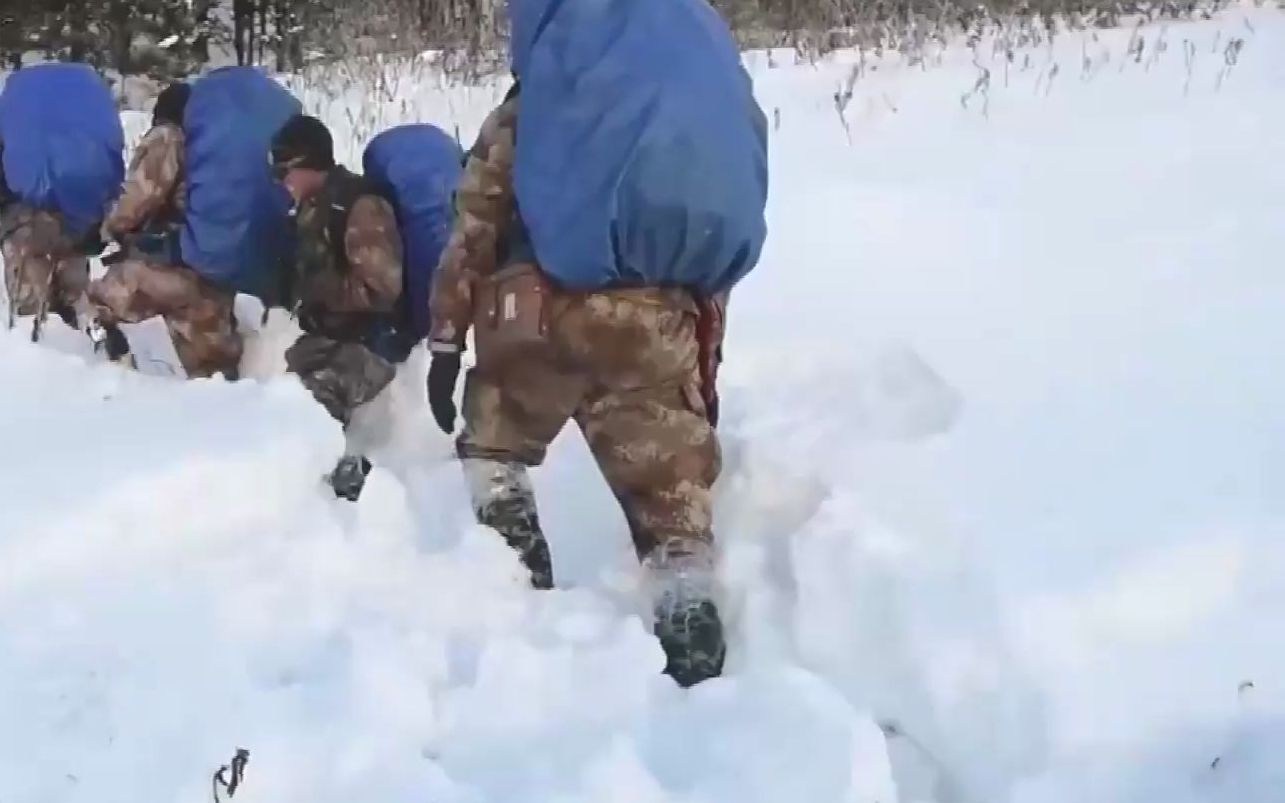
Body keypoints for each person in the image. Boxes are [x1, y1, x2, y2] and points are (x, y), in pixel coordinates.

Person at [426, 0, 766, 690]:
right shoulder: (699, 107)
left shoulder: (533, 107)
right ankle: (689, 626)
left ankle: (513, 587)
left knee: (493, 440)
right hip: (656, 320)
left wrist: (443, 340)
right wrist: (700, 378)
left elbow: (474, 227)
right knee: (671, 507)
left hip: (543, 316)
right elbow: (711, 269)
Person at [90, 67, 300, 380]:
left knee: (113, 286)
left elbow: (137, 200)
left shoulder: (168, 137)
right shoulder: (219, 159)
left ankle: (120, 361)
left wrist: (107, 230)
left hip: (192, 269)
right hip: (243, 268)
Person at [268, 114, 408, 501]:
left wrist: (318, 288)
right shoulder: (313, 210)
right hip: (331, 340)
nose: (282, 182)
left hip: (371, 345)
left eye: (286, 171)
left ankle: (347, 482)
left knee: (310, 403)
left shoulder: (360, 208)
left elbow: (382, 289)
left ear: (311, 165)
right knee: (277, 399)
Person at [0, 64, 124, 343]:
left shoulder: (13, 111)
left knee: (31, 305)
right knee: (74, 293)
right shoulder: (89, 110)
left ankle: (38, 355)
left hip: (24, 221)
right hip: (77, 216)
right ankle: (93, 346)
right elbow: (113, 157)